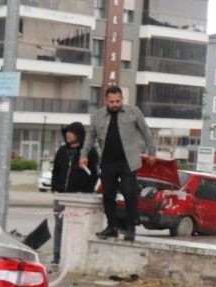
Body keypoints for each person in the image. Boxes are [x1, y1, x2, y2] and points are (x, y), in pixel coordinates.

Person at [81, 84, 157, 242]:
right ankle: (112, 227)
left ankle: (130, 227)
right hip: (108, 161)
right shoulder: (98, 115)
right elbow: (90, 136)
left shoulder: (133, 112)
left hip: (128, 161)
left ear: (122, 98)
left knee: (129, 193)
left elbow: (146, 131)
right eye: (112, 102)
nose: (115, 104)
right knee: (108, 195)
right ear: (106, 100)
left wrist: (152, 152)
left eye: (118, 101)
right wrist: (84, 154)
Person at [48, 121, 99, 265]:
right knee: (59, 225)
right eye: (67, 133)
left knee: (75, 226)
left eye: (71, 132)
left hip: (78, 197)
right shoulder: (62, 151)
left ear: (78, 135)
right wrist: (55, 188)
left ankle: (72, 255)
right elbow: (55, 171)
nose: (68, 135)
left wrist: (85, 191)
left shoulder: (89, 152)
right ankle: (57, 255)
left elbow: (94, 174)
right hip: (61, 195)